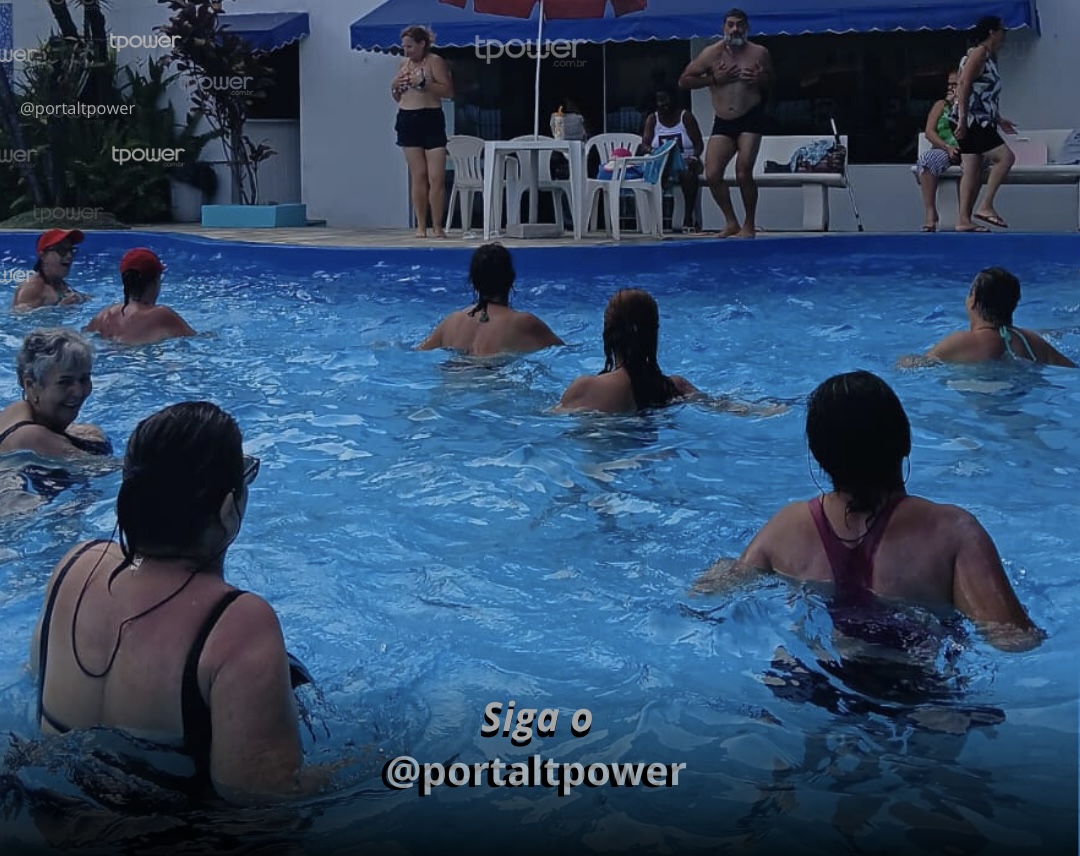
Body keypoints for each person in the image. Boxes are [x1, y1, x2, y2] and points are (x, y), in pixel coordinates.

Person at [31, 401, 326, 802]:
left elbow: (35, 674)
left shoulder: (75, 567)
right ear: (228, 508)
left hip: (49, 809)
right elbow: (266, 797)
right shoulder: (237, 625)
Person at [695, 371, 1042, 651]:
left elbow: (710, 592)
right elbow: (1013, 640)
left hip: (810, 683)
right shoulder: (953, 532)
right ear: (904, 442)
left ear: (819, 456)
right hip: (914, 692)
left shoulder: (786, 528)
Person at [678, 8, 773, 238]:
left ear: (747, 27)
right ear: (723, 28)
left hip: (750, 116)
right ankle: (731, 222)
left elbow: (773, 81)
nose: (735, 29)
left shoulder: (759, 52)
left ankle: (749, 224)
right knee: (712, 173)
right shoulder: (711, 53)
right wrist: (713, 78)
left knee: (743, 171)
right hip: (723, 120)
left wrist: (761, 78)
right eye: (730, 24)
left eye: (739, 24)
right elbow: (684, 81)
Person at [556, 289, 699, 413]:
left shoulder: (587, 388)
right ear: (653, 333)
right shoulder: (676, 388)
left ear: (609, 332)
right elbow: (711, 406)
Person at [910, 267, 1076, 367]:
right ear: (1014, 303)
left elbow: (918, 365)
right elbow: (1071, 369)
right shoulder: (1032, 341)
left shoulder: (960, 342)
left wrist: (905, 360)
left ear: (973, 301)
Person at [417, 243, 563, 356]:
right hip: (494, 382)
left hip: (452, 379)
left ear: (473, 282)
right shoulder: (523, 322)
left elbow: (418, 352)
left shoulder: (451, 321)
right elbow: (564, 351)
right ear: (511, 278)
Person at [0, 329, 110, 458]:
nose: (78, 392)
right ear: (30, 385)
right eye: (64, 382)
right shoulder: (32, 437)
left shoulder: (14, 414)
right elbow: (108, 468)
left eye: (84, 379)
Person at [952, 16, 1017, 232]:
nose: (1004, 35)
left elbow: (981, 93)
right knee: (1005, 158)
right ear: (992, 32)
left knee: (972, 168)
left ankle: (963, 220)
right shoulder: (979, 52)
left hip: (979, 119)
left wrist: (998, 119)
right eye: (1002, 30)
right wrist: (963, 119)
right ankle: (986, 205)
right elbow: (963, 84)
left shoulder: (987, 57)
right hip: (974, 121)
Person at [391, 25, 454, 239]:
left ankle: (437, 225)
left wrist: (425, 83)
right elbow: (398, 97)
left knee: (436, 177)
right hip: (408, 118)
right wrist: (395, 86)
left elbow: (448, 91)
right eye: (404, 47)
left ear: (422, 44)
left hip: (431, 117)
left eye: (410, 46)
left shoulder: (434, 62)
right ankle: (420, 225)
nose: (406, 51)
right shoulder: (403, 64)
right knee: (418, 175)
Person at [84, 248, 196, 345]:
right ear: (155, 282)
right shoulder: (162, 315)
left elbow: (82, 340)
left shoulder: (104, 315)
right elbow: (196, 339)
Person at [641, 87, 706, 233]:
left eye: (667, 99)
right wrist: (654, 152)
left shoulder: (686, 117)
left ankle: (688, 218)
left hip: (686, 161)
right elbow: (644, 144)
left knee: (688, 174)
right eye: (660, 100)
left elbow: (699, 144)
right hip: (662, 162)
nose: (664, 104)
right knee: (656, 175)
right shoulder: (652, 119)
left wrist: (694, 157)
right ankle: (656, 221)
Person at [912, 70, 962, 232]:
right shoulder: (941, 105)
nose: (951, 88)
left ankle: (964, 217)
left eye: (955, 84)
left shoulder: (971, 105)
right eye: (949, 84)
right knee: (926, 161)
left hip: (968, 150)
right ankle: (930, 213)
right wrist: (947, 147)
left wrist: (958, 106)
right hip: (945, 148)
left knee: (971, 163)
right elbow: (929, 132)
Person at [12, 230, 89, 311]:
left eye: (71, 250)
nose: (69, 256)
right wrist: (60, 309)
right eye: (62, 250)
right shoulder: (33, 287)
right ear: (43, 256)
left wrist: (80, 298)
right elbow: (20, 316)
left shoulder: (59, 284)